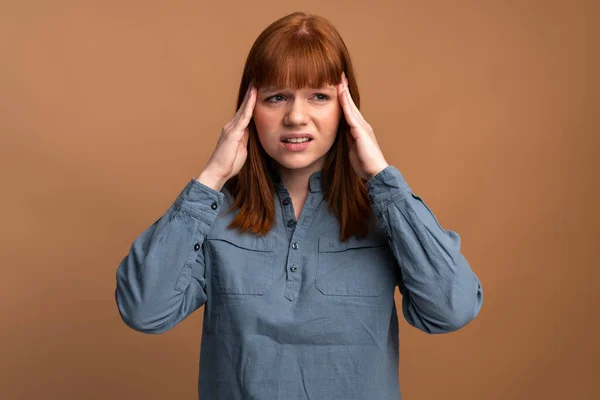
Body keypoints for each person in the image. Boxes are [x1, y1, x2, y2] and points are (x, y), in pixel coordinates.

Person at [115, 11, 483, 400]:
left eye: (319, 97)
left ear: (346, 109)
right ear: (248, 109)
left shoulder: (385, 214)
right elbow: (144, 311)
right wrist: (211, 177)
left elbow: (451, 309)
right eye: (277, 97)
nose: (295, 117)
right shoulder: (213, 213)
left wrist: (382, 177)